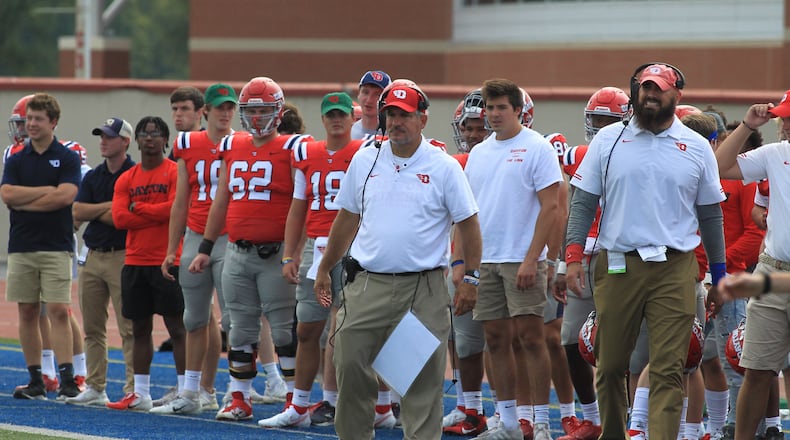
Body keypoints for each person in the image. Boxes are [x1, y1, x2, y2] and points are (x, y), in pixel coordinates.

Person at [565, 63, 726, 439]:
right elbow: (583, 202)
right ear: (635, 91)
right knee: (610, 365)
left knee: (670, 368)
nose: (651, 95)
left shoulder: (697, 146)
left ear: (677, 95)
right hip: (619, 262)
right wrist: (572, 256)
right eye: (644, 88)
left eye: (660, 89)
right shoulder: (608, 141)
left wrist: (719, 276)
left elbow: (710, 214)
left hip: (675, 267)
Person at [313, 82, 481, 440]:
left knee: (418, 382)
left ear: (423, 118)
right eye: (390, 114)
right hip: (367, 283)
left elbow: (469, 225)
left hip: (423, 289)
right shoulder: (365, 158)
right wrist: (326, 267)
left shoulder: (443, 166)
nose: (395, 121)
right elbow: (346, 218)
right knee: (348, 362)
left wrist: (471, 279)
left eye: (404, 114)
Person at [189, 76, 309, 422]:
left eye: (263, 110)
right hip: (236, 253)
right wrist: (206, 247)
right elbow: (221, 200)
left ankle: (294, 401)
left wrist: (294, 251)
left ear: (279, 111)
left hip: (275, 254)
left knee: (285, 330)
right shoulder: (233, 145)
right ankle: (239, 398)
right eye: (251, 110)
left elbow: (303, 204)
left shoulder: (294, 147)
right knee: (239, 330)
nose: (256, 117)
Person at [461, 78, 560, 440]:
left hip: (522, 258)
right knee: (496, 339)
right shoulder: (479, 153)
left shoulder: (537, 147)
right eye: (489, 108)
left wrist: (534, 259)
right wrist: (465, 266)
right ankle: (508, 422)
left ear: (518, 110)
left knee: (532, 339)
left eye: (502, 107)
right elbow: (468, 213)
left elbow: (551, 207)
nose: (494, 114)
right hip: (487, 260)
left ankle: (542, 422)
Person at [258, 92, 364, 428]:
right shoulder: (306, 152)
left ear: (352, 118)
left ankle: (362, 404)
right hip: (316, 247)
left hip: (354, 249)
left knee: (348, 330)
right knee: (306, 329)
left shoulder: (365, 152)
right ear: (322, 119)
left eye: (342, 114)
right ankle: (300, 405)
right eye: (331, 114)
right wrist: (289, 254)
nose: (336, 119)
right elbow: (298, 205)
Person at [153, 83, 238, 415]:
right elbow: (180, 201)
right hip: (195, 233)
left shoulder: (242, 144)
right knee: (195, 317)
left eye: (230, 107)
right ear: (207, 111)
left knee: (234, 320)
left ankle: (230, 390)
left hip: (231, 237)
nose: (225, 113)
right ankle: (192, 392)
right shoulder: (187, 143)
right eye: (219, 107)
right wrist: (171, 248)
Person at [711, 90, 790, 439]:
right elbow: (719, 166)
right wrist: (746, 125)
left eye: (789, 118)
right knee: (757, 369)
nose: (785, 124)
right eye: (784, 117)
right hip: (772, 270)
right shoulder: (776, 154)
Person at [554, 86, 630, 440]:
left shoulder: (634, 153)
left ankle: (630, 419)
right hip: (582, 256)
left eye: (607, 121)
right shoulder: (580, 155)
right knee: (570, 340)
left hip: (619, 256)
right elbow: (571, 208)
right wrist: (561, 262)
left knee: (617, 342)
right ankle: (590, 417)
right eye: (596, 120)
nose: (600, 127)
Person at [4, 94, 90, 394]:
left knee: (57, 309)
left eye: (37, 119)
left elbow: (65, 196)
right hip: (22, 244)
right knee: (27, 311)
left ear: (52, 122)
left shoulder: (66, 156)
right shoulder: (16, 158)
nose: (29, 125)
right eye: (28, 119)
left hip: (56, 244)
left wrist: (26, 200)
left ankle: (69, 378)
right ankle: (37, 378)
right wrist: (45, 193)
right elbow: (7, 196)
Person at [105, 116, 186, 412]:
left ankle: (184, 390)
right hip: (135, 260)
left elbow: (177, 209)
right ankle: (140, 393)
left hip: (167, 260)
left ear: (166, 140)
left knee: (177, 328)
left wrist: (140, 208)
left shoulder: (176, 172)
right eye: (144, 134)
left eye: (155, 134)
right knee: (139, 328)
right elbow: (119, 218)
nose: (150, 138)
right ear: (136, 140)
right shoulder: (127, 178)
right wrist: (155, 212)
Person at [66, 117, 137, 406]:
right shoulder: (94, 176)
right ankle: (96, 385)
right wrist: (111, 208)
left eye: (109, 137)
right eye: (101, 136)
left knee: (129, 326)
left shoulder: (135, 173)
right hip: (93, 255)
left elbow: (126, 216)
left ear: (125, 142)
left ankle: (133, 386)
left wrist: (100, 211)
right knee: (93, 327)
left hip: (123, 254)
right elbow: (78, 211)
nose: (103, 141)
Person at [443, 89, 491, 437]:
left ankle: (520, 411)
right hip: (459, 259)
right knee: (459, 338)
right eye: (468, 127)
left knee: (510, 340)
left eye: (480, 127)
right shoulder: (456, 163)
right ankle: (468, 405)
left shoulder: (520, 155)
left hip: (502, 261)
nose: (473, 134)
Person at [350, 70, 391, 140]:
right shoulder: (347, 132)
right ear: (358, 94)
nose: (369, 100)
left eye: (377, 95)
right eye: (365, 92)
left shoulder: (394, 135)